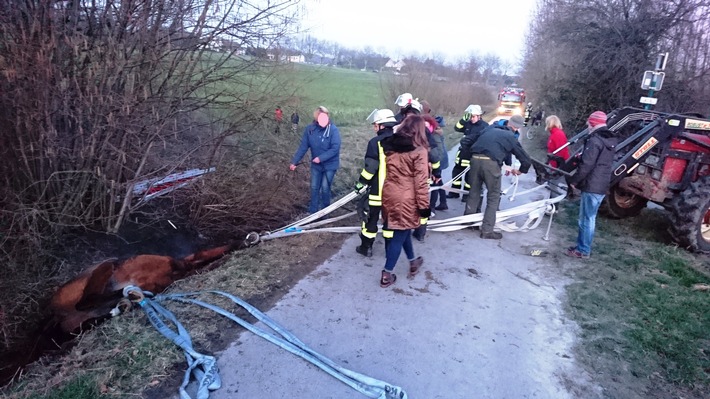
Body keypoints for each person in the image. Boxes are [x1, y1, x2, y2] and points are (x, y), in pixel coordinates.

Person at [379, 114, 430, 288]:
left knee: (403, 228)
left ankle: (413, 261)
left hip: (389, 192)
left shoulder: (391, 146)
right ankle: (387, 273)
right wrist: (424, 207)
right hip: (406, 197)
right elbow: (421, 182)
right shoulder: (419, 151)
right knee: (399, 234)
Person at [463, 114, 532, 239]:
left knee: (474, 191)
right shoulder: (510, 137)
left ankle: (468, 222)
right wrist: (521, 170)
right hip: (491, 164)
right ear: (517, 128)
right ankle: (487, 230)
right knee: (494, 195)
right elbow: (525, 159)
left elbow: (465, 141)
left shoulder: (489, 129)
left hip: (475, 160)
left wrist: (472, 155)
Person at [566, 111, 617, 259]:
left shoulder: (594, 140)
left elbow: (586, 164)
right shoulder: (610, 140)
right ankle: (582, 246)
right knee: (589, 218)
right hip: (601, 184)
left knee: (586, 219)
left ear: (593, 123)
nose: (587, 125)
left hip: (592, 184)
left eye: (589, 123)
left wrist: (574, 181)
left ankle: (583, 250)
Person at [354, 108, 398, 257]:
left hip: (377, 191)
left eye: (375, 125)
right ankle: (389, 252)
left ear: (381, 125)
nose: (374, 128)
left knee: (370, 221)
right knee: (390, 222)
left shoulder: (375, 143)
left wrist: (361, 183)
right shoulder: (401, 141)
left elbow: (370, 168)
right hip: (395, 192)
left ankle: (366, 248)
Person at [289, 106, 341, 214]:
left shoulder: (333, 130)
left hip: (330, 165)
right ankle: (313, 212)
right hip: (316, 166)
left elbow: (335, 148)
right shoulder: (310, 129)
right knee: (314, 187)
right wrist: (295, 162)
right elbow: (303, 147)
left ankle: (325, 212)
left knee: (325, 188)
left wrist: (321, 158)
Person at [449, 105, 489, 200]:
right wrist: (463, 119)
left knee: (469, 177)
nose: (471, 118)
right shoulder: (468, 123)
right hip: (462, 153)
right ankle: (455, 192)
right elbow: (457, 128)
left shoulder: (484, 126)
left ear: (479, 116)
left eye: (473, 116)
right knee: (456, 174)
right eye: (470, 116)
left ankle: (466, 196)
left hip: (472, 155)